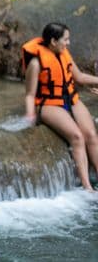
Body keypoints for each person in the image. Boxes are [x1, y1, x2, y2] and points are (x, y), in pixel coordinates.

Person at [22, 23, 98, 192]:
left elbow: (80, 78)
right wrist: (29, 114)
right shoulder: (36, 64)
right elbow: (29, 94)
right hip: (49, 104)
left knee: (91, 134)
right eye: (66, 39)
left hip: (71, 99)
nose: (68, 43)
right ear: (53, 41)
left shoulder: (64, 54)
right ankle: (88, 187)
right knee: (77, 137)